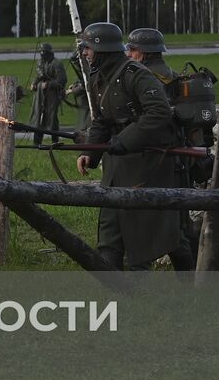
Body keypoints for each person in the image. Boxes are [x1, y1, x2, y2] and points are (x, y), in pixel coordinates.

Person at [75, 21, 183, 270]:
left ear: (101, 49)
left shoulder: (136, 74)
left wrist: (124, 140)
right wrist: (90, 154)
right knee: (109, 229)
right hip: (115, 164)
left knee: (139, 233)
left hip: (143, 162)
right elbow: (101, 121)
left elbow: (159, 112)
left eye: (88, 48)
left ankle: (140, 292)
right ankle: (112, 287)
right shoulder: (97, 78)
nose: (85, 53)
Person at [125, 27, 198, 270]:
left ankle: (140, 276)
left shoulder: (145, 78)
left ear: (143, 53)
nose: (128, 53)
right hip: (177, 157)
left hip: (155, 157)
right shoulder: (173, 75)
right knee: (177, 223)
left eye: (132, 49)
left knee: (150, 219)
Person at [29, 42, 67, 145]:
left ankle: (55, 141)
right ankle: (37, 142)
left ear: (49, 53)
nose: (42, 54)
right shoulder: (41, 62)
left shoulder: (57, 63)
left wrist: (49, 85)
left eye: (44, 52)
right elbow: (39, 75)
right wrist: (34, 83)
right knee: (38, 116)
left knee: (52, 117)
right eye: (41, 52)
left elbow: (62, 80)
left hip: (52, 95)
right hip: (40, 94)